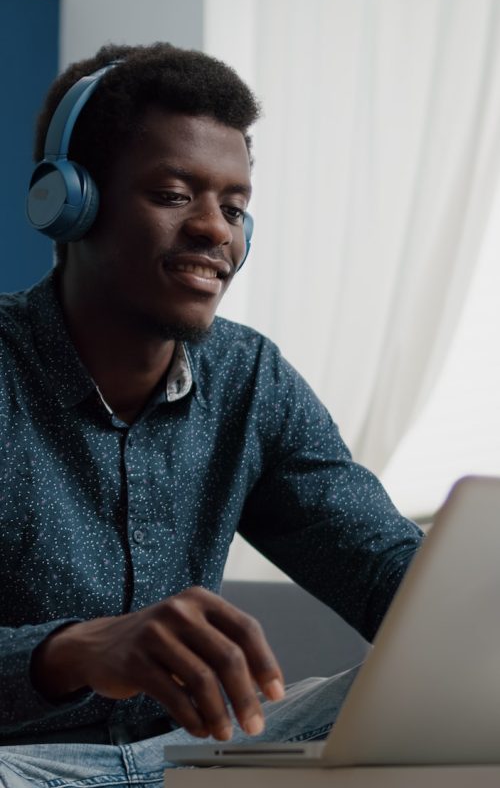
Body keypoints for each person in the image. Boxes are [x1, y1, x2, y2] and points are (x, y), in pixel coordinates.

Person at [0, 42, 423, 786]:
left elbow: (382, 563)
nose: (215, 230)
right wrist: (72, 649)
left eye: (234, 208)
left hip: (193, 757)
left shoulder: (250, 377)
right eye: (172, 194)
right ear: (69, 201)